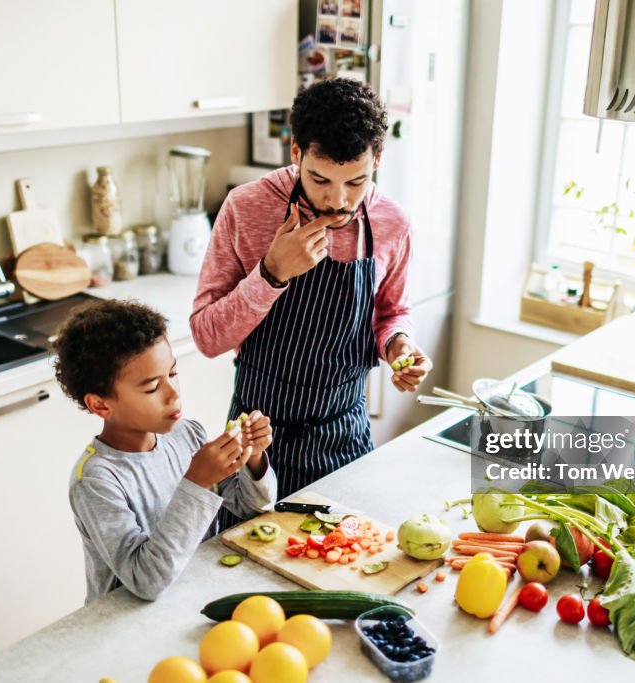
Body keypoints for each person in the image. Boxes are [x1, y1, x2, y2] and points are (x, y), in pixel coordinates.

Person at [191, 78, 432, 499]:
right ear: (296, 152)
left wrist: (399, 345)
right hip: (255, 441)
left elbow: (392, 312)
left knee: (346, 557)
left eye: (355, 182)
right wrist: (271, 274)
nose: (337, 200)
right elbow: (207, 338)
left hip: (344, 435)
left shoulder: (393, 223)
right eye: (320, 180)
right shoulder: (247, 208)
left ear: (378, 159)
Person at [53, 300, 276, 603]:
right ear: (101, 404)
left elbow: (252, 510)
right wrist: (196, 482)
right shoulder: (96, 481)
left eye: (172, 374)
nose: (174, 394)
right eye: (152, 387)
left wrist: (253, 459)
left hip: (194, 599)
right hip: (124, 627)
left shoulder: (188, 435)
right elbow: (146, 580)